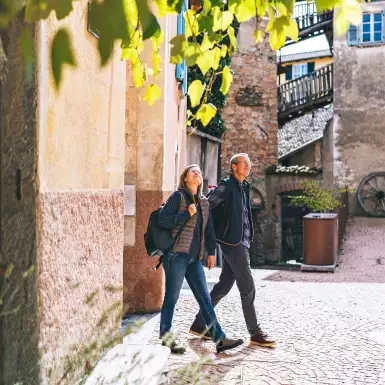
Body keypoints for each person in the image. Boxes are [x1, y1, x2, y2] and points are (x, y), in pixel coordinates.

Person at [189, 154, 277, 348]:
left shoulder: (244, 187)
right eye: (245, 164)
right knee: (247, 286)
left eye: (249, 164)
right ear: (234, 166)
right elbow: (208, 205)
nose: (249, 167)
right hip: (232, 243)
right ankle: (255, 333)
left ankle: (198, 324)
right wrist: (208, 235)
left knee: (224, 285)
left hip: (241, 241)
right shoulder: (226, 185)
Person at [157, 164, 244, 354]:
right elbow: (162, 220)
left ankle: (219, 339)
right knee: (172, 297)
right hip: (176, 256)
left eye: (199, 172)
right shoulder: (177, 197)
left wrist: (211, 251)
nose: (197, 173)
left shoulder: (203, 202)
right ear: (185, 179)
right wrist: (184, 214)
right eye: (192, 171)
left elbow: (209, 228)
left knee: (205, 298)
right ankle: (166, 337)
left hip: (194, 259)